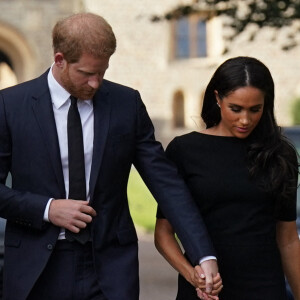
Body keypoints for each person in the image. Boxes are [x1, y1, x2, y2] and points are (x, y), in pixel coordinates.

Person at [0, 12, 222, 300]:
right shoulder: (10, 106)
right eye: (87, 74)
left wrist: (203, 254)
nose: (96, 83)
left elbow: (167, 183)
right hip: (36, 269)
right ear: (59, 60)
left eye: (102, 73)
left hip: (109, 269)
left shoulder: (126, 104)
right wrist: (47, 208)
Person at [155, 56, 300, 300]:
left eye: (255, 109)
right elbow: (163, 233)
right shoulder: (185, 150)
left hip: (265, 290)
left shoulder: (279, 154)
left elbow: (287, 239)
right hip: (206, 291)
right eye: (236, 108)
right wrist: (193, 276)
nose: (245, 120)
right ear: (217, 98)